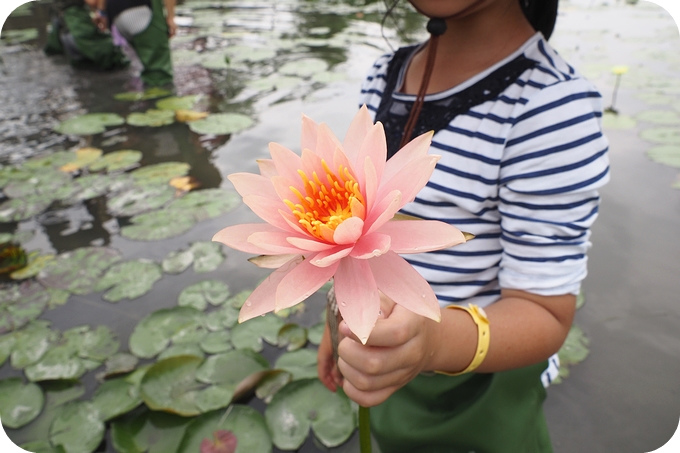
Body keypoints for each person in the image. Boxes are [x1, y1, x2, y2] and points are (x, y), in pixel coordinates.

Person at [317, 0, 610, 451]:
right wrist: (337, 319)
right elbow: (358, 229)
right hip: (389, 358)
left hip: (479, 387)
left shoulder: (552, 108)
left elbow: (546, 312)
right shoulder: (383, 74)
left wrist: (431, 344)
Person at [89, 0, 176, 86]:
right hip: (143, 10)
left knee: (139, 64)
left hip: (115, 14)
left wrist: (102, 12)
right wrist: (171, 17)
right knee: (159, 74)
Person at [44, 0, 129, 70]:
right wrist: (101, 12)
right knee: (111, 54)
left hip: (62, 28)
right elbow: (92, 2)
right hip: (76, 26)